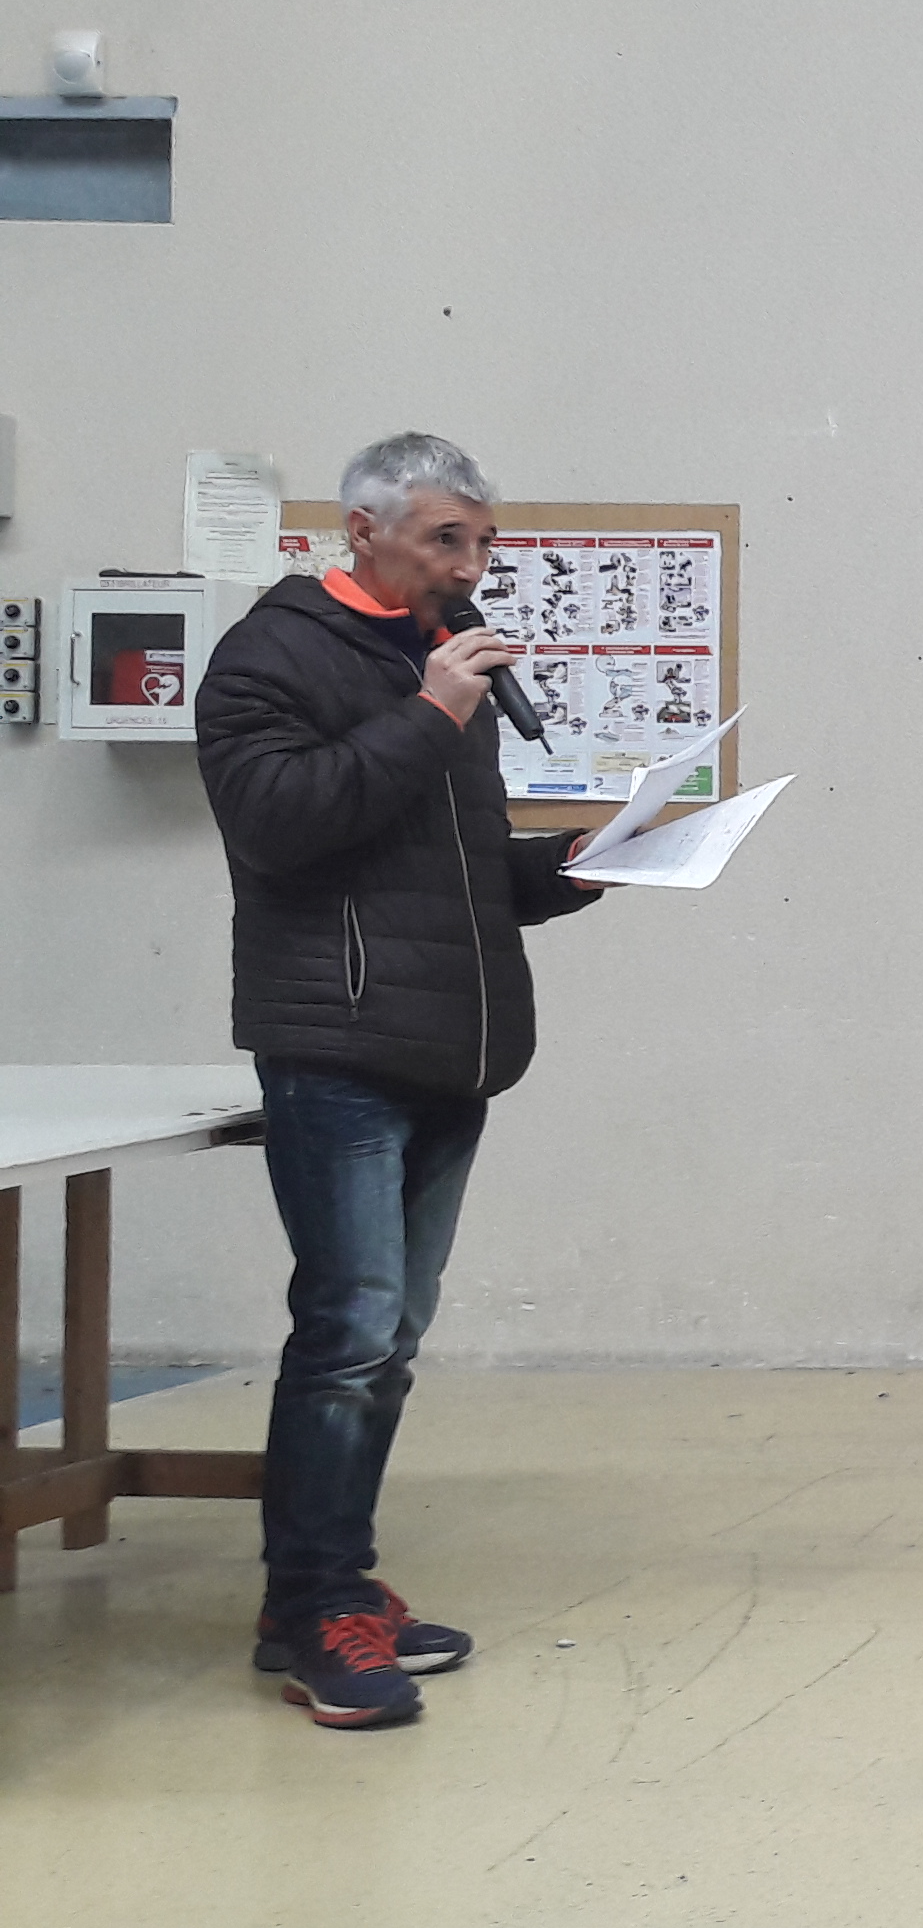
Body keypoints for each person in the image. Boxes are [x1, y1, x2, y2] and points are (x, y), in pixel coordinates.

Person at [196, 432, 606, 1726]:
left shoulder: (440, 669)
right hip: (338, 1050)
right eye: (446, 539)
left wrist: (582, 862)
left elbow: (451, 875)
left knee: (390, 1339)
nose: (471, 566)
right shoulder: (273, 654)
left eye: (483, 543)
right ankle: (316, 1607)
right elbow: (280, 825)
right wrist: (430, 712)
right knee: (347, 1333)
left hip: (449, 1050)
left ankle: (327, 1588)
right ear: (361, 530)